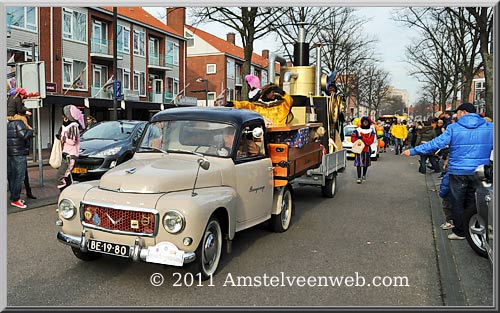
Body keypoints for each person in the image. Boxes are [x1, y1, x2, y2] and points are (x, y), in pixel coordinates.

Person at [402, 103, 493, 240]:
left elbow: (435, 144)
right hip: (480, 171)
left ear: (463, 112)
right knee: (474, 201)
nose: (456, 115)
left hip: (458, 171)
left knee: (457, 201)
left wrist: (413, 151)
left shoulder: (453, 128)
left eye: (458, 112)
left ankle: (460, 232)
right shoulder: (490, 127)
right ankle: (475, 229)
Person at [56, 105, 85, 192]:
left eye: (64, 114)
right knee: (66, 176)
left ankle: (66, 192)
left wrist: (62, 138)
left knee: (61, 175)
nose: (62, 116)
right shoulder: (66, 126)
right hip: (66, 153)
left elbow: (73, 141)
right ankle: (67, 193)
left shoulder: (73, 127)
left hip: (71, 155)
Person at [7, 120, 33, 209]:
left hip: (10, 153)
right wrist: (30, 130)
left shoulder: (8, 123)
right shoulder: (18, 123)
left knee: (12, 176)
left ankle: (13, 196)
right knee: (19, 177)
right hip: (19, 153)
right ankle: (15, 199)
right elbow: (24, 136)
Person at [351, 116, 376, 184]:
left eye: (366, 122)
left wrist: (363, 138)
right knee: (358, 164)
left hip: (366, 150)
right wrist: (357, 139)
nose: (365, 123)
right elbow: (352, 140)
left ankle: (364, 175)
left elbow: (370, 141)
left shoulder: (371, 131)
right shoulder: (357, 130)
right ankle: (359, 177)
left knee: (365, 164)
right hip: (358, 149)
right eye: (364, 122)